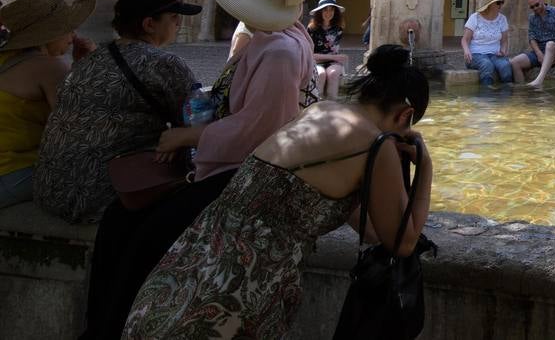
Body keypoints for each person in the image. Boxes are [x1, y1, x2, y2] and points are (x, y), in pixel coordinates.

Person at [122, 44, 433, 340]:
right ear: (405, 116)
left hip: (188, 268)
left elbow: (370, 229)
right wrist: (426, 166)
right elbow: (402, 242)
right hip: (236, 294)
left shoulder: (319, 111)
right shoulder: (376, 144)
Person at [80, 0, 315, 340]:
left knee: (148, 239)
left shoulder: (280, 52)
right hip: (226, 162)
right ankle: (102, 325)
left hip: (244, 173)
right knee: (119, 219)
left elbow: (258, 130)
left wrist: (187, 137)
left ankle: (113, 328)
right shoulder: (270, 41)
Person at [35, 0, 200, 224]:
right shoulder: (165, 63)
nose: (179, 24)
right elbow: (199, 121)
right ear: (149, 24)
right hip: (107, 194)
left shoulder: (90, 59)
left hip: (52, 188)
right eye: (174, 17)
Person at [0, 0, 95, 208]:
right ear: (49, 34)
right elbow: (77, 129)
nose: (73, 36)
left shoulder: (5, 58)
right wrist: (88, 66)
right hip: (11, 172)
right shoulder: (49, 67)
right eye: (68, 29)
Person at [513, 0, 555, 87]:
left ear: (542, 0)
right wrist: (538, 53)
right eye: (532, 7)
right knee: (515, 62)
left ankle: (539, 80)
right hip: (540, 51)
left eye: (537, 5)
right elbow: (532, 37)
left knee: (550, 44)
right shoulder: (532, 18)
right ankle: (521, 90)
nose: (535, 8)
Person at [461, 0, 514, 87]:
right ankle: (486, 96)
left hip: (495, 54)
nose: (501, 5)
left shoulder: (502, 19)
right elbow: (465, 40)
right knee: (487, 65)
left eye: (502, 2)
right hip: (476, 55)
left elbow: (504, 41)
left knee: (505, 66)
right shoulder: (475, 17)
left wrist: (502, 51)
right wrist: (466, 51)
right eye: (499, 2)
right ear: (490, 4)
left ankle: (506, 96)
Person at [307, 0, 349, 100]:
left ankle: (331, 105)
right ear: (320, 12)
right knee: (321, 74)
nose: (328, 12)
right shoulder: (312, 29)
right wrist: (337, 57)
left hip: (333, 62)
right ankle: (317, 104)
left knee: (333, 74)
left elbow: (333, 51)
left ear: (335, 12)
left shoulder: (338, 28)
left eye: (331, 9)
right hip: (316, 61)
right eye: (325, 9)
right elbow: (309, 54)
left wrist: (335, 58)